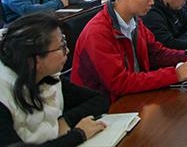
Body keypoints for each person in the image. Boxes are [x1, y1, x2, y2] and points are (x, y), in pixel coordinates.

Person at [71, 0, 187, 101]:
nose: (152, 2)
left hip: (134, 95)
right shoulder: (98, 32)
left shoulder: (135, 22)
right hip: (105, 106)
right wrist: (174, 75)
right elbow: (119, 83)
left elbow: (156, 53)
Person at [0, 13, 110, 146]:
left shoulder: (45, 76)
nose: (67, 51)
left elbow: (101, 100)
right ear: (35, 59)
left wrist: (65, 120)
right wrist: (79, 135)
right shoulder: (4, 95)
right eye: (61, 47)